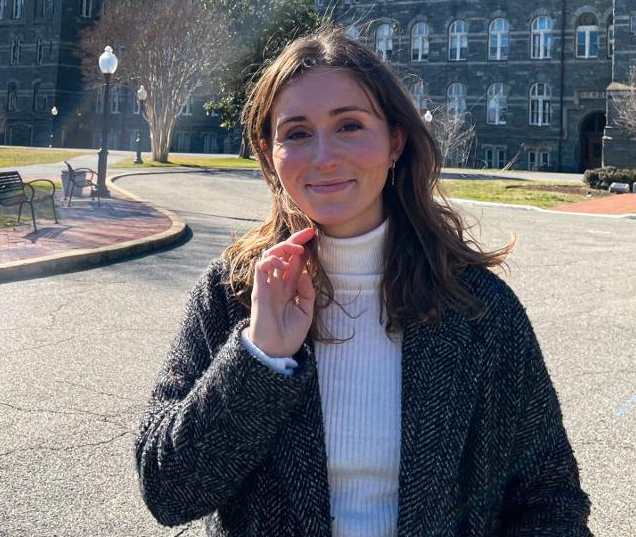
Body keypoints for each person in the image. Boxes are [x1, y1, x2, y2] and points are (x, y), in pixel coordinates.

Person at [135, 29, 591, 535]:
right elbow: (167, 492)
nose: (324, 156)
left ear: (395, 141)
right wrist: (259, 358)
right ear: (269, 155)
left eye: (349, 125)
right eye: (297, 133)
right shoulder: (232, 293)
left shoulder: (478, 308)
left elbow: (549, 499)